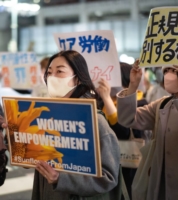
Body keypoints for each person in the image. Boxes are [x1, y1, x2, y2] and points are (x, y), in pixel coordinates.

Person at [1, 50, 120, 200]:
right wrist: (14, 134)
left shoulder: (94, 121)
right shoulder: (45, 115)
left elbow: (108, 178)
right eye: (49, 72)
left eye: (60, 71)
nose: (52, 77)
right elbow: (28, 161)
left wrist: (60, 178)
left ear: (77, 78)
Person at [117, 49, 178, 200]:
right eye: (166, 69)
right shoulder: (163, 104)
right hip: (160, 184)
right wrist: (133, 87)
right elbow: (127, 119)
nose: (169, 74)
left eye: (175, 70)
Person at [97, 62, 147, 200]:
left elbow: (124, 131)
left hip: (129, 168)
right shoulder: (100, 104)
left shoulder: (141, 103)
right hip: (108, 166)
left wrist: (107, 98)